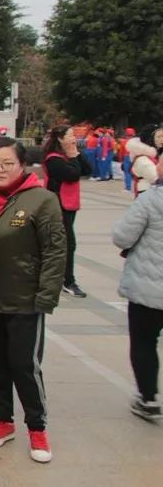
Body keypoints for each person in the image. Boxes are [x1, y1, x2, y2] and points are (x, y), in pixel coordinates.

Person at [0, 138, 65, 463]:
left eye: (7, 163)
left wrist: (46, 296)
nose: (0, 169)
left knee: (24, 365)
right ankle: (2, 420)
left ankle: (37, 428)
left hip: (26, 300)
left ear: (22, 165)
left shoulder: (42, 200)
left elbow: (55, 251)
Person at [112, 166, 163, 421]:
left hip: (148, 287)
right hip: (149, 285)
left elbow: (123, 236)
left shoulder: (150, 199)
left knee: (144, 342)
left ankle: (148, 398)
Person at [43, 125, 93, 299]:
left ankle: (62, 278)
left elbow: (87, 170)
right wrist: (72, 158)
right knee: (66, 243)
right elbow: (72, 174)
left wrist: (76, 154)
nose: (74, 138)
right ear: (60, 138)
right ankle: (67, 280)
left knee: (65, 243)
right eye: (70, 135)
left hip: (69, 205)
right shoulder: (53, 159)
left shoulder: (68, 156)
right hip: (57, 206)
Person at [129, 132, 161, 196]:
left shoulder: (148, 157)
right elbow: (155, 178)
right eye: (158, 137)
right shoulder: (143, 159)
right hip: (148, 192)